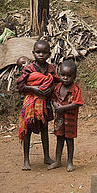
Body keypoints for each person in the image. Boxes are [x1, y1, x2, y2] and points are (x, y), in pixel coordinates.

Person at [16, 40, 59, 170]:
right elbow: (20, 86)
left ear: (49, 54)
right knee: (27, 130)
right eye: (38, 52)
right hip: (31, 103)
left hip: (44, 104)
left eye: (44, 52)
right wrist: (35, 89)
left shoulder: (50, 68)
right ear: (33, 53)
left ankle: (46, 157)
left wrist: (50, 90)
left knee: (44, 130)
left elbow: (55, 83)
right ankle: (26, 160)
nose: (41, 54)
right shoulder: (29, 68)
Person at [48, 60, 83, 172]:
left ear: (74, 76)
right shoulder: (57, 87)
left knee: (69, 140)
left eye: (69, 76)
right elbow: (53, 98)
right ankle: (58, 160)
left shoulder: (75, 89)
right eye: (63, 75)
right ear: (59, 74)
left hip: (70, 120)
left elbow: (77, 103)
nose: (65, 78)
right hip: (59, 119)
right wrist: (55, 105)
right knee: (59, 138)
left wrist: (63, 108)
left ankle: (70, 162)